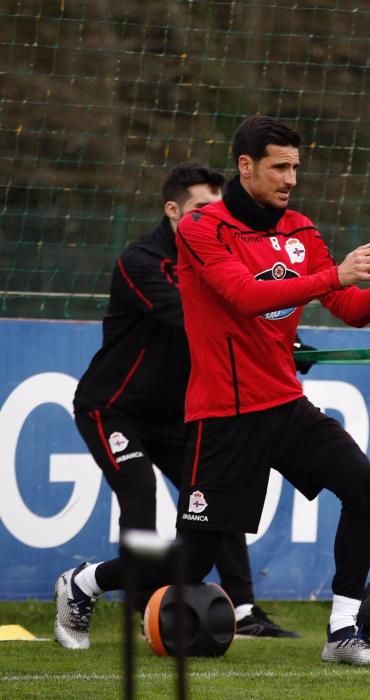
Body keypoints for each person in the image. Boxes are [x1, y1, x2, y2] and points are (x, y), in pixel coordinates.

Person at [55, 115, 370, 665]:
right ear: (245, 166)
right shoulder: (204, 230)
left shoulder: (301, 230)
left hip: (286, 406)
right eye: (279, 166)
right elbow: (245, 296)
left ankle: (343, 631)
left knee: (362, 484)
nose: (290, 178)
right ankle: (84, 582)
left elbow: (349, 310)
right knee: (192, 560)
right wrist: (333, 277)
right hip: (223, 416)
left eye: (295, 166)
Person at [73, 162, 298, 638]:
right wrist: (266, 335)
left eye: (217, 210)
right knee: (139, 493)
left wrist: (286, 344)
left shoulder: (223, 258)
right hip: (113, 409)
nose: (210, 219)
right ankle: (141, 609)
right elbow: (196, 318)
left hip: (177, 417)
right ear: (172, 211)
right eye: (199, 210)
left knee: (217, 500)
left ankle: (242, 611)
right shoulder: (140, 262)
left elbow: (253, 307)